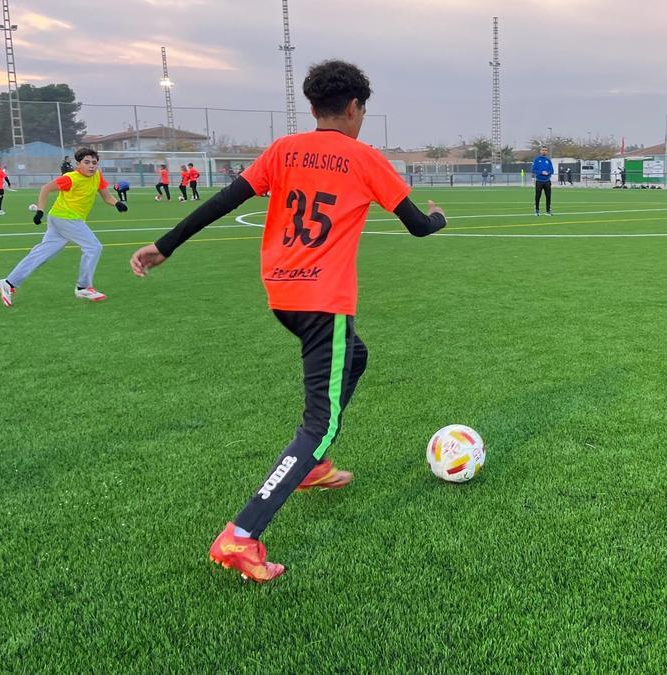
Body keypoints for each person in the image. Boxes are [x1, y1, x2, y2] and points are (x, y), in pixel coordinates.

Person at [128, 59, 447, 583]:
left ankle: (314, 468)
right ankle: (242, 534)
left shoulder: (283, 151)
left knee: (357, 357)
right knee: (318, 426)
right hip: (325, 301)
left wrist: (164, 246)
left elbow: (222, 203)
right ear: (354, 108)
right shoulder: (365, 158)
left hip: (283, 295)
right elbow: (417, 227)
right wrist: (438, 217)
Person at [0, 148, 127, 307]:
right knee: (93, 247)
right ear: (78, 164)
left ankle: (8, 283)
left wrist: (116, 203)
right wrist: (40, 210)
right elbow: (46, 188)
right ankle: (83, 287)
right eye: (86, 162)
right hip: (66, 218)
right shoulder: (70, 178)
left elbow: (106, 195)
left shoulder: (97, 176)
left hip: (61, 219)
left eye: (94, 163)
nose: (91, 166)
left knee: (42, 254)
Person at [532, 145, 553, 216]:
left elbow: (552, 170)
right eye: (543, 150)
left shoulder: (548, 160)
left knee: (548, 196)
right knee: (538, 196)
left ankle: (548, 211)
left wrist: (548, 173)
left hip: (547, 181)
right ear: (540, 151)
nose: (544, 151)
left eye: (545, 150)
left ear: (547, 151)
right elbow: (533, 169)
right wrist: (541, 172)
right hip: (539, 181)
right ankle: (536, 210)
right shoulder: (537, 160)